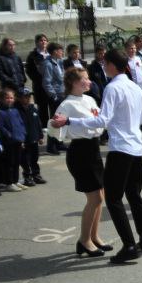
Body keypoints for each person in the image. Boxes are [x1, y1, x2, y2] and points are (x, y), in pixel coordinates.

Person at [52, 49, 142, 265]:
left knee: (114, 198)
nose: (102, 67)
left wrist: (71, 121)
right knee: (134, 194)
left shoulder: (113, 87)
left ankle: (129, 246)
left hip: (121, 148)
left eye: (105, 63)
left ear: (110, 65)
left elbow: (103, 120)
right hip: (136, 146)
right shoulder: (134, 86)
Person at [51, 68, 110, 257]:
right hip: (80, 152)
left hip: (93, 149)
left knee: (100, 196)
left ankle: (94, 236)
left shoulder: (90, 99)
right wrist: (54, 124)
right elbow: (54, 128)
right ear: (75, 82)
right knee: (95, 198)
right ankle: (84, 240)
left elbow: (100, 120)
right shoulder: (67, 104)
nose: (89, 81)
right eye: (85, 78)